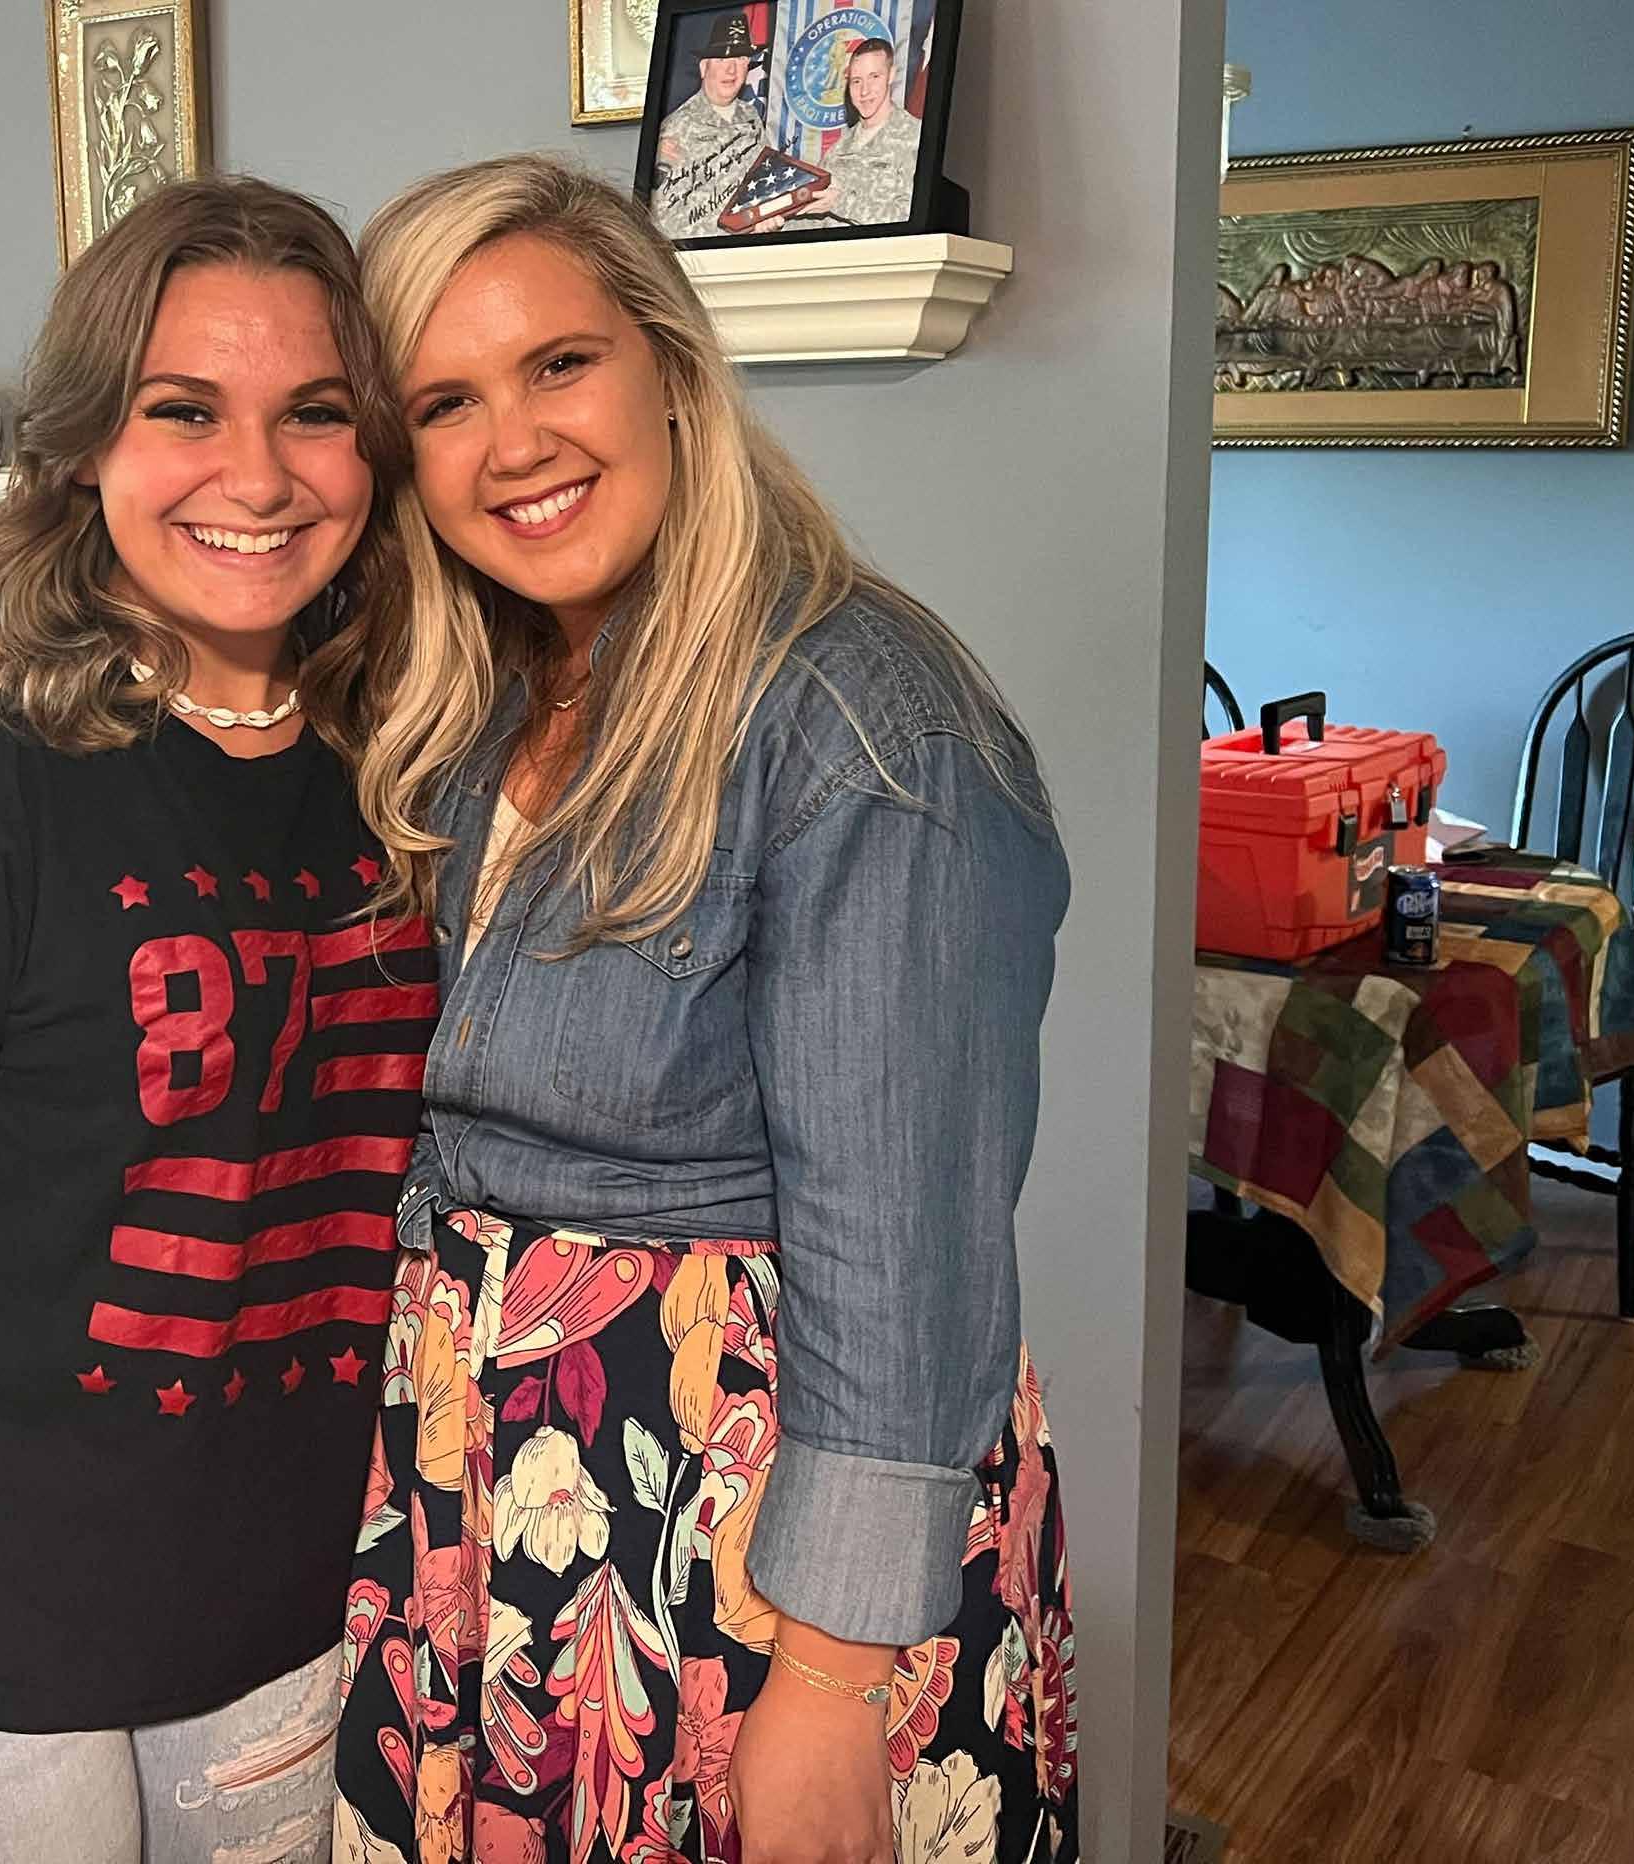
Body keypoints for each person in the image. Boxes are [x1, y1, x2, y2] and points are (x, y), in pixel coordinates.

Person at [329, 155, 1078, 1864]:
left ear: (667, 366)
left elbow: (904, 1243)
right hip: (501, 1505)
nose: (513, 443)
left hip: (748, 1542)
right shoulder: (487, 688)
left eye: (558, 364)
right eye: (444, 402)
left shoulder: (862, 721)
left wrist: (827, 1675)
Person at [0, 178, 432, 1864]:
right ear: (88, 443)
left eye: (314, 412)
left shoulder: (419, 776)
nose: (258, 476)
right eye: (184, 410)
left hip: (297, 1637)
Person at [759, 35, 923, 232]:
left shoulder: (916, 138)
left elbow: (910, 219)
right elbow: (816, 219)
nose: (864, 91)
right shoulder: (837, 151)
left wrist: (841, 202)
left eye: (874, 77)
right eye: (856, 81)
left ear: (891, 75)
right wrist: (778, 226)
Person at [651, 9, 768, 240]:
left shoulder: (751, 116)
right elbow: (663, 218)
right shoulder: (677, 127)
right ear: (704, 68)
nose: (731, 69)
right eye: (722, 60)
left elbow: (763, 179)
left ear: (747, 66)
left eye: (739, 59)